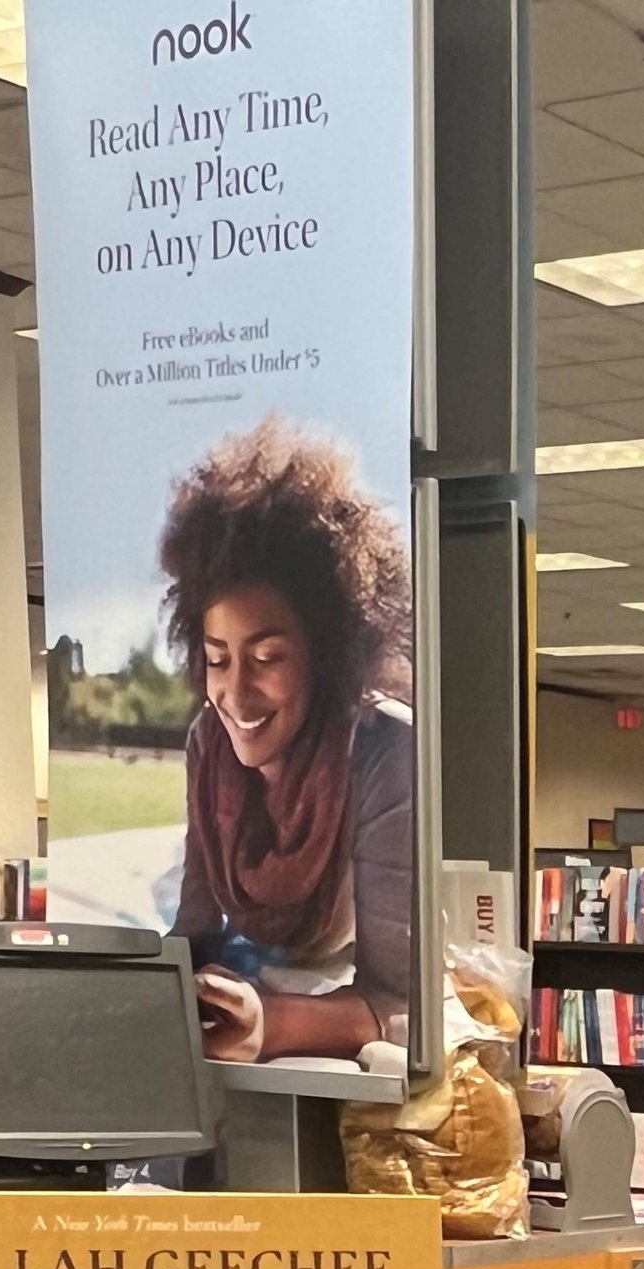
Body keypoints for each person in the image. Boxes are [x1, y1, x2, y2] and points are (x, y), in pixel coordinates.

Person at [161, 417, 414, 1064]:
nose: (236, 695)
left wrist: (267, 1024)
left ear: (326, 654)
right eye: (217, 659)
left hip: (346, 1071)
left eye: (268, 657)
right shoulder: (207, 742)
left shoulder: (385, 750)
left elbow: (403, 1002)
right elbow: (193, 933)